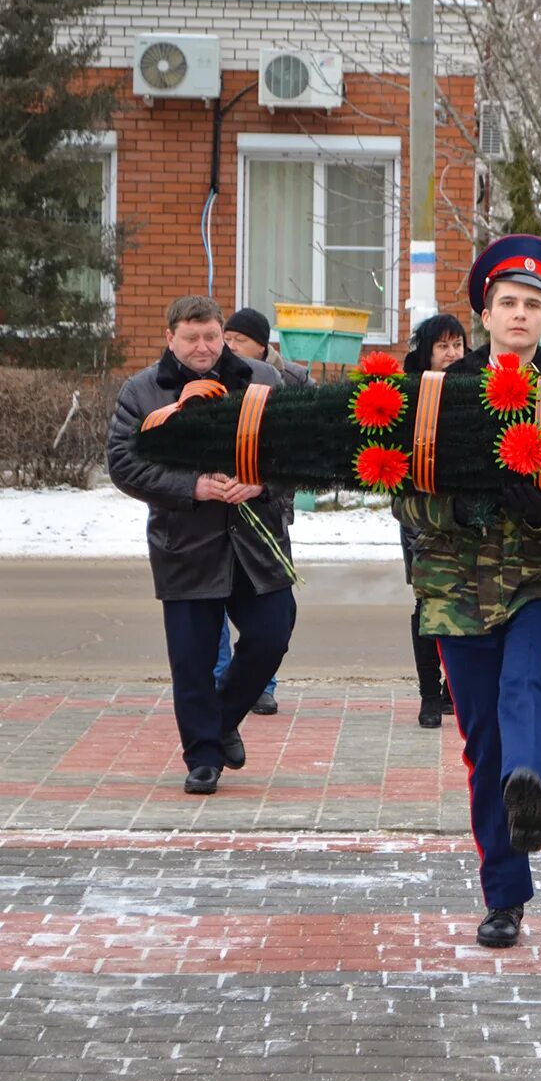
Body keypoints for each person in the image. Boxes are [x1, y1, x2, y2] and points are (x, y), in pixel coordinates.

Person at [393, 235, 541, 950]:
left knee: (526, 682)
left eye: (532, 305)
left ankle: (530, 784)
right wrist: (458, 507)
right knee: (481, 738)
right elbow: (406, 495)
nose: (518, 314)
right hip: (455, 588)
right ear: (484, 312)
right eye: (507, 302)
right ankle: (504, 894)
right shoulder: (441, 396)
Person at [107, 295, 295, 795]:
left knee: (273, 632)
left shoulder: (262, 381)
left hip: (256, 541)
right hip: (184, 544)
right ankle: (202, 758)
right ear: (170, 338)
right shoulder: (143, 390)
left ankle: (222, 717)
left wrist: (261, 482)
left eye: (211, 336)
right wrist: (192, 486)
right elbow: (124, 464)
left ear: (223, 334)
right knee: (191, 660)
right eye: (191, 338)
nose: (203, 347)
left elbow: (297, 449)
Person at [216, 306, 316, 716]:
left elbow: (306, 449)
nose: (229, 347)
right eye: (227, 338)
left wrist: (273, 488)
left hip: (269, 510)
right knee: (214, 600)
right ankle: (223, 678)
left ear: (261, 344)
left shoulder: (291, 379)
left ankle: (262, 684)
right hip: (217, 509)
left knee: (274, 609)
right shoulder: (213, 374)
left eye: (238, 340)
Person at [400, 312, 469, 728]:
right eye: (442, 346)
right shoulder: (409, 394)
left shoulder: (476, 385)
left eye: (457, 345)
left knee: (466, 601)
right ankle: (429, 693)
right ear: (427, 352)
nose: (452, 354)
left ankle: (452, 691)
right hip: (420, 509)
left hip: (466, 512)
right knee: (427, 602)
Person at [223, 306, 313, 388]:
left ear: (262, 346)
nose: (231, 346)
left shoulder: (295, 377)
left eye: (240, 340)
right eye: (227, 339)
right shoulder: (216, 369)